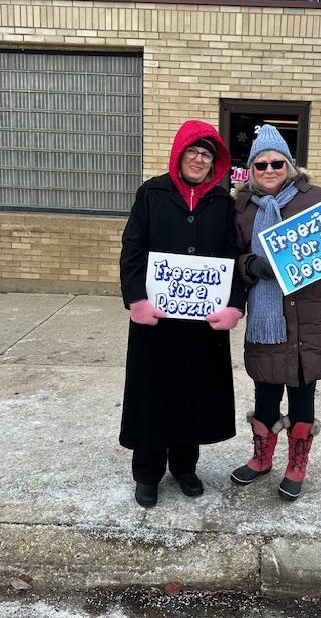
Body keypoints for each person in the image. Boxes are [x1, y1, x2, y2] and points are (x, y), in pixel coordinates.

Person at [119, 119, 245, 508]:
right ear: (179, 153)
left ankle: (185, 466)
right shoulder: (152, 193)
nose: (199, 159)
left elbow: (233, 256)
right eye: (193, 151)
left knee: (193, 393)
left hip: (202, 321)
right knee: (152, 393)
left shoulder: (223, 203)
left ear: (215, 163)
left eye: (206, 154)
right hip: (156, 319)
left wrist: (234, 304)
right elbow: (133, 248)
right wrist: (137, 299)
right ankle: (147, 472)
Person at [231, 125, 321, 501]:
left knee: (302, 393)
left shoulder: (315, 198)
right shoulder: (242, 207)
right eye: (261, 164)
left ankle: (296, 465)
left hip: (308, 318)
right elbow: (231, 255)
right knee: (266, 392)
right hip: (266, 320)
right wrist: (250, 265)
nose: (269, 170)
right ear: (251, 169)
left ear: (290, 165)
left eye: (277, 163)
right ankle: (261, 459)